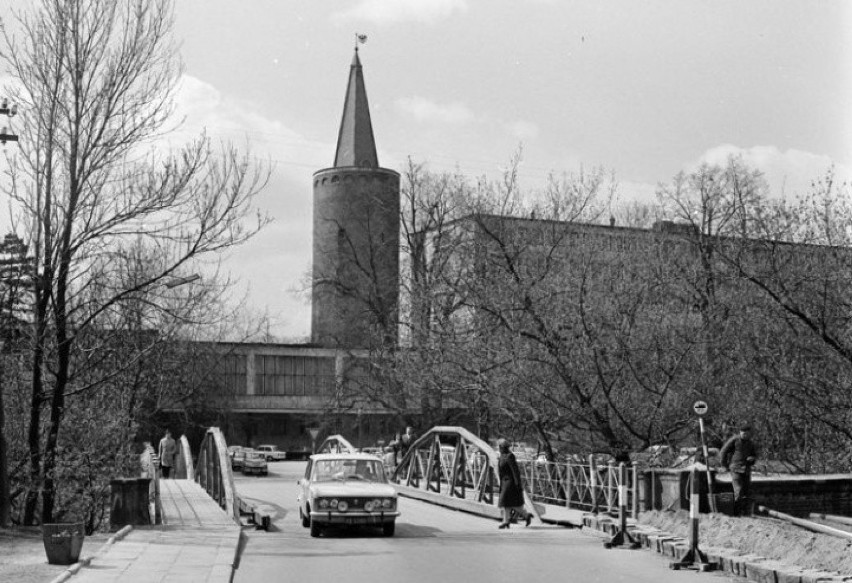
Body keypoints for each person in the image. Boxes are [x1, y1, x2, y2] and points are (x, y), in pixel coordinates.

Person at [719, 423, 758, 516]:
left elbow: (754, 455)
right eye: (743, 433)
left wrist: (752, 459)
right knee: (738, 491)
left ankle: (746, 513)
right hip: (735, 468)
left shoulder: (751, 443)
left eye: (747, 434)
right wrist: (724, 465)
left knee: (747, 492)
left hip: (746, 469)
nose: (745, 435)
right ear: (740, 432)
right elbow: (723, 451)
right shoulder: (734, 440)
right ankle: (736, 513)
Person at [496, 438, 532, 529]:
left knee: (506, 502)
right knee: (508, 503)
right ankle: (523, 516)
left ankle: (507, 521)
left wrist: (518, 484)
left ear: (503, 447)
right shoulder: (501, 456)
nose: (499, 448)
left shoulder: (509, 456)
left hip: (510, 483)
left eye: (500, 447)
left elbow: (515, 471)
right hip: (504, 482)